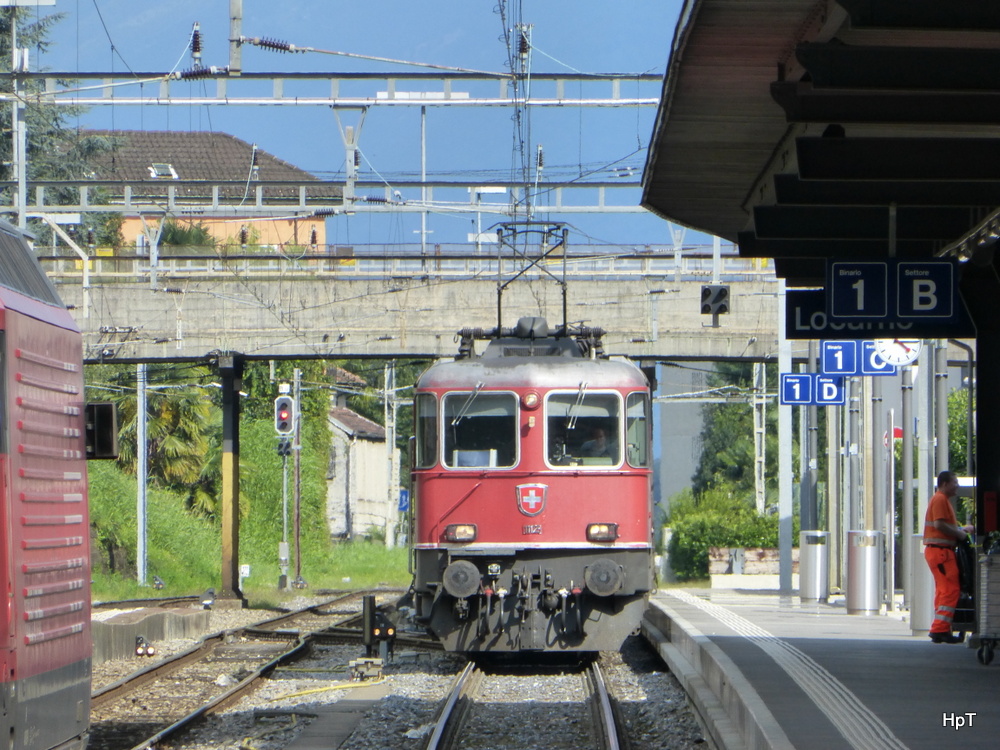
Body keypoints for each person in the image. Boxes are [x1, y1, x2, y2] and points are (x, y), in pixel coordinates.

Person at [923, 470, 974, 644]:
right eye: (955, 482)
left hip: (939, 552)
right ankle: (939, 630)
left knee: (943, 590)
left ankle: (941, 628)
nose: (957, 485)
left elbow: (942, 525)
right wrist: (960, 535)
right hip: (942, 552)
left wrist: (961, 530)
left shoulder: (940, 499)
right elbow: (939, 524)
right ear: (945, 484)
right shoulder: (940, 499)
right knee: (951, 589)